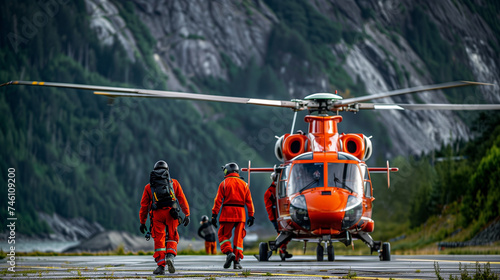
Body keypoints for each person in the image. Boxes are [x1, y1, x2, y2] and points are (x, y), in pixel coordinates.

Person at [139, 160, 190, 275]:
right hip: (172, 213)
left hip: (157, 215)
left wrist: (143, 222)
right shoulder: (174, 183)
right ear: (167, 171)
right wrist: (187, 214)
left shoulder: (149, 187)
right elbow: (182, 199)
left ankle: (161, 267)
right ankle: (170, 257)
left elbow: (144, 207)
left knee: (159, 239)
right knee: (172, 236)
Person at [211, 162, 255, 269]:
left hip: (227, 213)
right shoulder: (244, 185)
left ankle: (229, 252)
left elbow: (218, 201)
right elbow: (249, 202)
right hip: (241, 214)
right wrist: (251, 215)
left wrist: (214, 215)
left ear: (227, 171)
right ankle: (237, 262)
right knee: (238, 238)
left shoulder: (224, 184)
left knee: (223, 235)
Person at [264, 172, 292, 261]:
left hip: (283, 215)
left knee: (287, 234)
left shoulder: (284, 189)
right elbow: (269, 207)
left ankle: (282, 250)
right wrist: (273, 218)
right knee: (284, 234)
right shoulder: (270, 192)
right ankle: (282, 250)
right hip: (276, 217)